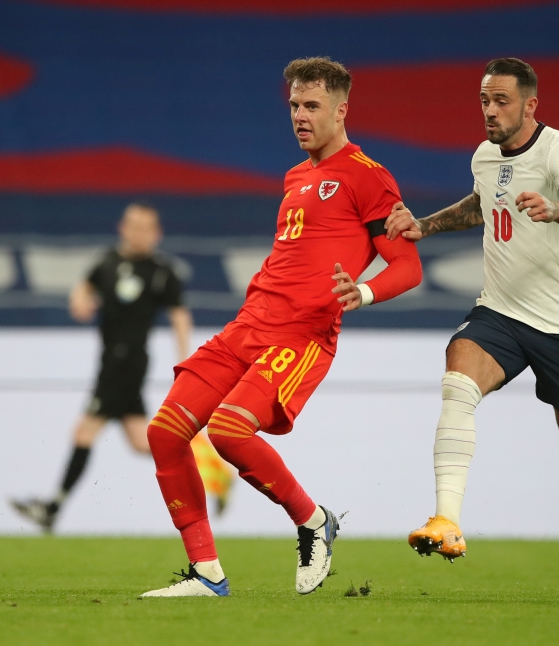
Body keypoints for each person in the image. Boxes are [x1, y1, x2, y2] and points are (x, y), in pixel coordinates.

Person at [385, 58, 559, 601]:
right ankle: (446, 520)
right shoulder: (485, 156)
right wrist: (426, 224)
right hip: (500, 312)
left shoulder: (558, 150)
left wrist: (558, 211)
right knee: (457, 380)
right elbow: (481, 204)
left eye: (502, 101)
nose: (490, 111)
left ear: (530, 104)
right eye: (484, 101)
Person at [139, 57, 423, 597]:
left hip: (302, 336)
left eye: (311, 106)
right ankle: (207, 573)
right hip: (248, 325)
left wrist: (360, 292)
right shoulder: (296, 176)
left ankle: (313, 520)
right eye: (294, 105)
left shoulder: (368, 176)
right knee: (165, 432)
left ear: (341, 111)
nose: (299, 116)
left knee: (228, 430)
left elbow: (408, 266)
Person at [11, 204, 234, 532]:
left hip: (127, 364)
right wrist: (80, 300)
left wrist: (186, 358)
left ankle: (52, 507)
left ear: (157, 234)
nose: (139, 233)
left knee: (84, 432)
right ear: (122, 228)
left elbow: (179, 315)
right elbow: (84, 286)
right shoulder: (108, 262)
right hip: (109, 361)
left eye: (146, 227)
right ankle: (212, 471)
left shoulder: (161, 271)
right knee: (142, 442)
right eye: (133, 225)